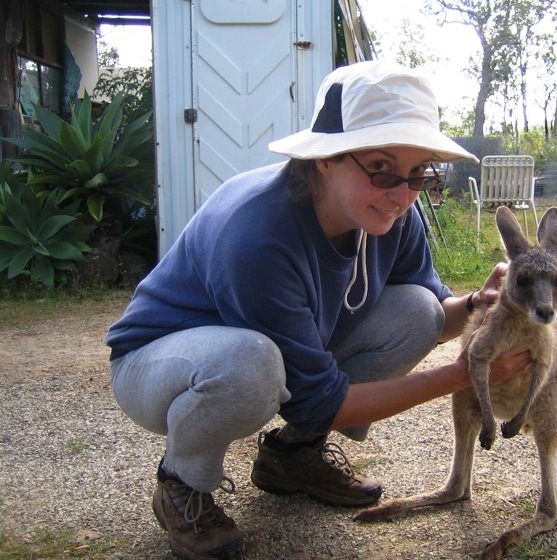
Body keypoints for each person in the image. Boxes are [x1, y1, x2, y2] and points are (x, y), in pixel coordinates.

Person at [105, 61, 533, 560]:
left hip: (266, 352)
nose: (402, 193)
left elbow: (437, 318)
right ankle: (182, 483)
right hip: (159, 363)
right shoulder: (259, 233)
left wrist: (481, 304)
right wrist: (463, 374)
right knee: (250, 364)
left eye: (419, 173)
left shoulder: (394, 213)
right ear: (325, 159)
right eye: (380, 167)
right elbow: (322, 401)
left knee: (420, 309)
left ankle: (293, 457)